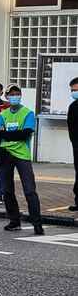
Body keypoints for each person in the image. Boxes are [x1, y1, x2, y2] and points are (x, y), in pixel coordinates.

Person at [0, 85, 43, 234]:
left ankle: (37, 223)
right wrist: (14, 134)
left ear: (20, 95)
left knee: (29, 190)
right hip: (5, 154)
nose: (15, 96)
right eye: (12, 94)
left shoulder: (28, 113)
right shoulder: (3, 114)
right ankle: (14, 221)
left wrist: (8, 134)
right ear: (7, 97)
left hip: (22, 155)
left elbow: (26, 133)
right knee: (7, 190)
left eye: (17, 94)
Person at [69, 76, 78, 212]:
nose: (73, 92)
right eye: (72, 90)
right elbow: (71, 127)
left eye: (75, 89)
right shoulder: (73, 106)